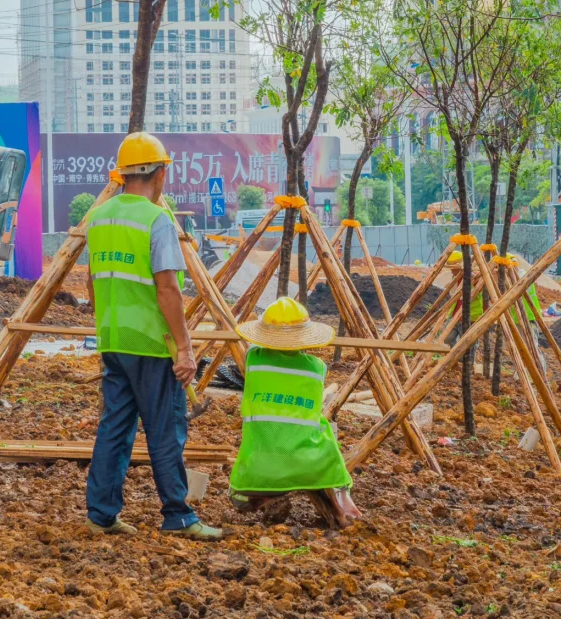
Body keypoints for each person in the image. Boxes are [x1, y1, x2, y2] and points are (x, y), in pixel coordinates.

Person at [83, 131, 221, 540]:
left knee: (116, 427)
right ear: (160, 174)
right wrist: (184, 348)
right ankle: (177, 515)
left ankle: (101, 514)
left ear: (123, 175)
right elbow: (167, 289)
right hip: (151, 344)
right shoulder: (156, 220)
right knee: (165, 428)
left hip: (112, 339)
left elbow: (92, 284)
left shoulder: (100, 217)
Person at [230, 296, 360, 528]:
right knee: (326, 434)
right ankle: (340, 507)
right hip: (309, 465)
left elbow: (251, 347)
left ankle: (269, 496)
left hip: (258, 471)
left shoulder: (254, 360)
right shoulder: (317, 369)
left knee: (238, 498)